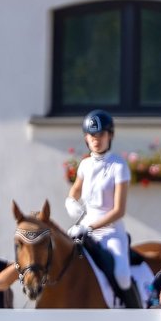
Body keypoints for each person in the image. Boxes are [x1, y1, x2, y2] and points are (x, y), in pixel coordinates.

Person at [64, 109, 143, 309]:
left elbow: (119, 210)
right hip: (83, 228)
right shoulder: (84, 165)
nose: (96, 140)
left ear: (110, 136)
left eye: (101, 135)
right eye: (92, 136)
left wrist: (89, 228)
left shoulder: (118, 165)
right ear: (86, 138)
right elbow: (74, 192)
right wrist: (70, 203)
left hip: (110, 231)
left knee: (122, 276)